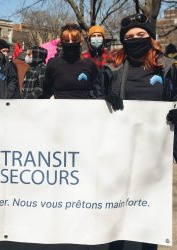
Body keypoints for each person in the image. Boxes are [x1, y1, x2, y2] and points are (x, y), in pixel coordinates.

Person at [100, 14, 177, 250]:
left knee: (149, 204)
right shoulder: (113, 67)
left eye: (140, 35)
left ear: (150, 37)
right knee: (118, 202)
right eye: (129, 36)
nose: (135, 39)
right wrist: (106, 97)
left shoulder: (166, 68)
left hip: (154, 150)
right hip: (121, 147)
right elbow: (95, 95)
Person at [44, 23, 101, 99]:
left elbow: (98, 90)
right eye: (67, 40)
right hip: (58, 109)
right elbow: (46, 91)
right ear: (62, 42)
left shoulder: (89, 64)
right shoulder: (53, 64)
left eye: (74, 40)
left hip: (85, 109)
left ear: (80, 42)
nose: (70, 43)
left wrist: (108, 97)